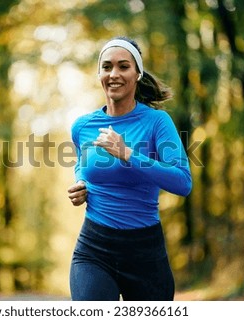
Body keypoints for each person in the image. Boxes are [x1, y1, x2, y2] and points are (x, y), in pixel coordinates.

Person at [67, 36, 192, 301]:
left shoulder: (157, 122)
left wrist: (128, 154)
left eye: (123, 67)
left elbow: (183, 182)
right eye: (107, 67)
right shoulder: (82, 126)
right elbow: (81, 164)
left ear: (138, 74)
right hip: (94, 249)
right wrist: (81, 185)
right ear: (99, 74)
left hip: (145, 252)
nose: (114, 74)